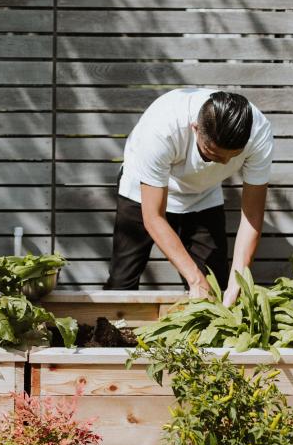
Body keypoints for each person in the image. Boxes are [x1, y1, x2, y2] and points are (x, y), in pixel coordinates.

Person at [103, 88, 274, 306]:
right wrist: (195, 279)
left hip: (203, 194)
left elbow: (251, 216)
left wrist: (237, 281)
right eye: (213, 154)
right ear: (195, 128)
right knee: (121, 283)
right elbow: (153, 217)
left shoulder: (259, 132)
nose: (223, 163)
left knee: (214, 287)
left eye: (233, 157)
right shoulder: (162, 128)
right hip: (142, 192)